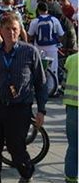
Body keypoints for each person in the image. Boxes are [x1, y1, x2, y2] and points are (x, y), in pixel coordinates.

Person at [0, 13, 47, 183]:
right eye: (8, 29)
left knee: (16, 148)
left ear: (20, 31)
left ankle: (26, 174)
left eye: (15, 29)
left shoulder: (29, 52)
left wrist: (41, 110)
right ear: (1, 31)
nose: (11, 33)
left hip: (19, 109)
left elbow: (41, 83)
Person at [28, 1, 65, 78]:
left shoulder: (35, 21)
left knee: (40, 68)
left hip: (39, 47)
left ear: (38, 10)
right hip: (52, 48)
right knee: (53, 68)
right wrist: (58, 44)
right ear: (47, 10)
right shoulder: (54, 20)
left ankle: (41, 85)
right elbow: (61, 34)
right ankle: (53, 85)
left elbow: (30, 35)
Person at [64, 51, 78, 183]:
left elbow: (63, 82)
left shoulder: (71, 59)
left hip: (72, 106)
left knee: (73, 145)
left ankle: (71, 177)